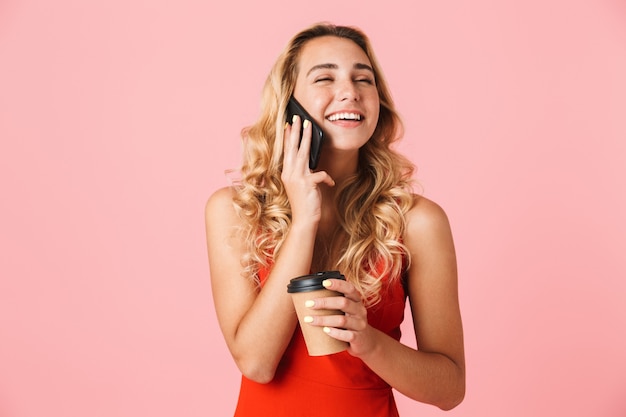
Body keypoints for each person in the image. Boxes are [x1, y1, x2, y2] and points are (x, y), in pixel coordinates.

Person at [205, 23, 465, 416]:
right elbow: (256, 364)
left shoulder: (417, 223)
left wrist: (368, 341)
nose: (351, 91)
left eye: (364, 79)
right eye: (325, 77)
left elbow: (449, 390)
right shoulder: (234, 211)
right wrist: (304, 220)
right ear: (288, 103)